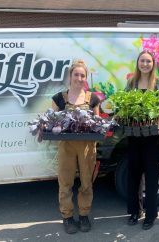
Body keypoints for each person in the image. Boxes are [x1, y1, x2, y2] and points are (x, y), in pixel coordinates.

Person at [52, 60, 100, 234]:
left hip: (87, 147)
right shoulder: (59, 98)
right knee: (65, 182)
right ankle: (67, 216)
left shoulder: (93, 99)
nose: (79, 78)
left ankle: (85, 215)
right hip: (66, 146)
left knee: (86, 181)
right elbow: (53, 123)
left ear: (85, 78)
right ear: (70, 76)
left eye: (82, 75)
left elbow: (98, 124)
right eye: (76, 75)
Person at [125, 50, 159, 230]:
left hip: (153, 135)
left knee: (151, 176)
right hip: (134, 135)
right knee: (133, 175)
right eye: (142, 61)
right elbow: (126, 105)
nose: (145, 64)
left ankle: (150, 215)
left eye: (148, 61)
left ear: (153, 64)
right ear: (138, 63)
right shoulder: (131, 83)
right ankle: (135, 211)